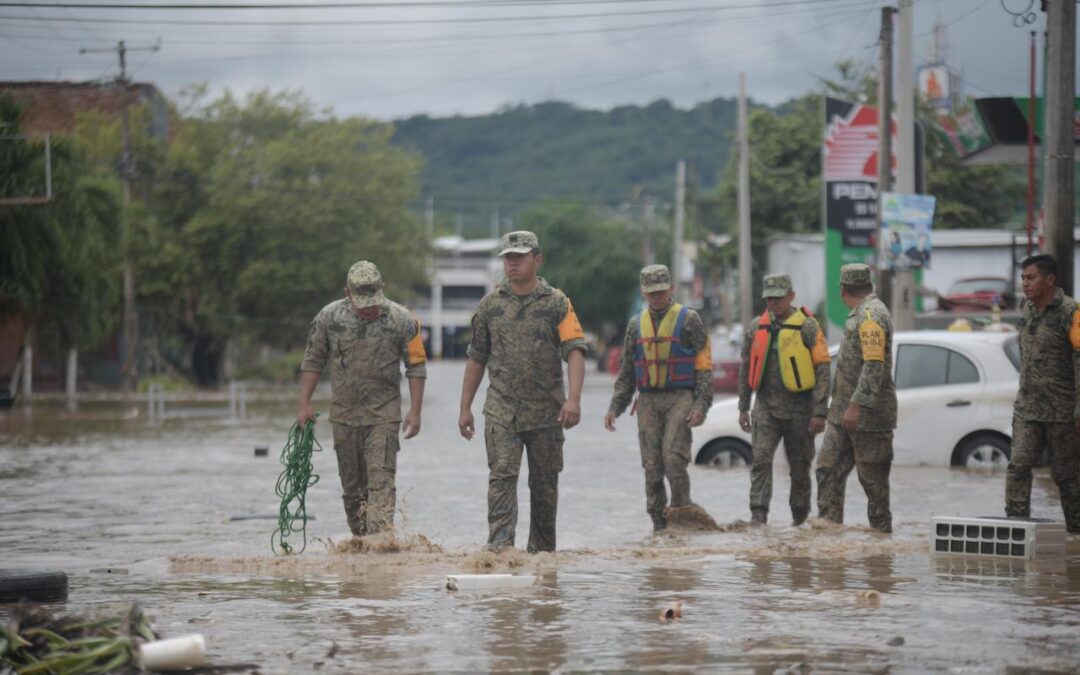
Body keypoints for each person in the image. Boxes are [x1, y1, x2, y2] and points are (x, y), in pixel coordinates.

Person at [458, 230, 587, 553]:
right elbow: (477, 357)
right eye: (508, 258)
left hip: (547, 412)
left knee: (544, 486)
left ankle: (542, 559)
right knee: (501, 477)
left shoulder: (557, 303)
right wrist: (465, 408)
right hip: (502, 410)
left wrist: (574, 400)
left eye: (520, 256)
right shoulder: (490, 306)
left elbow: (575, 350)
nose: (512, 263)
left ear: (537, 259)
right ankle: (500, 551)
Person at [298, 261, 427, 538]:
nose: (369, 308)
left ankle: (380, 549)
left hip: (384, 415)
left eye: (374, 300)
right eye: (362, 302)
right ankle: (360, 548)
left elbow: (416, 366)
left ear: (383, 289)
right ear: (347, 293)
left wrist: (415, 411)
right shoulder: (329, 318)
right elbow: (313, 359)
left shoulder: (402, 319)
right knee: (352, 489)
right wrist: (304, 404)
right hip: (344, 416)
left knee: (381, 484)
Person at [604, 265, 714, 532]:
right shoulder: (635, 325)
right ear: (644, 292)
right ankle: (659, 526)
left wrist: (701, 405)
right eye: (651, 293)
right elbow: (628, 369)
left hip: (680, 396)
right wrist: (615, 407)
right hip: (648, 401)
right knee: (652, 466)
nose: (657, 297)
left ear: (671, 289)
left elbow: (704, 366)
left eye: (661, 292)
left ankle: (681, 515)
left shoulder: (689, 319)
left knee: (673, 458)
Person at [737, 273, 830, 526]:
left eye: (778, 298)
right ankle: (758, 517)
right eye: (769, 299)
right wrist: (743, 407)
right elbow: (746, 367)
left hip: (801, 410)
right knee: (760, 461)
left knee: (800, 470)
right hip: (765, 408)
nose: (773, 304)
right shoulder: (757, 327)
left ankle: (799, 521)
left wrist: (821, 412)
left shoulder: (808, 327)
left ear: (791, 296)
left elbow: (823, 369)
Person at [815, 263, 897, 533]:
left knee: (872, 483)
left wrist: (856, 406)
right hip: (841, 415)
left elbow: (874, 365)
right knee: (827, 469)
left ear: (842, 289)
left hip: (868, 417)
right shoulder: (860, 313)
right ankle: (829, 536)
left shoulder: (871, 315)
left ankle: (881, 546)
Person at [1005, 254, 1080, 533]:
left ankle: (1075, 534)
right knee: (1017, 467)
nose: (1025, 284)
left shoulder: (1072, 313)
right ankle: (1015, 530)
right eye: (1023, 278)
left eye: (1031, 278)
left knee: (1067, 477)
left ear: (1050, 280)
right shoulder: (1028, 311)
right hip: (1028, 409)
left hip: (1062, 411)